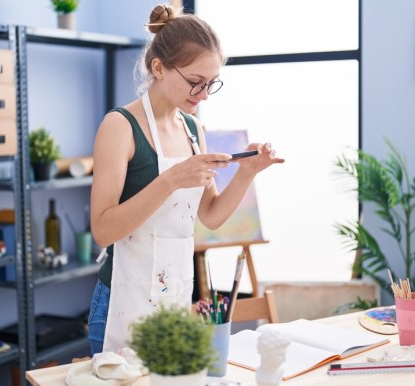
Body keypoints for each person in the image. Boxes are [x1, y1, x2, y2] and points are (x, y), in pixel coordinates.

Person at [88, 4, 284, 354]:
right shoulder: (119, 126)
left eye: (211, 84)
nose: (204, 94)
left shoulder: (193, 129)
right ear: (159, 68)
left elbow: (209, 215)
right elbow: (103, 231)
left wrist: (246, 173)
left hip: (174, 299)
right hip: (123, 299)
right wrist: (172, 179)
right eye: (196, 82)